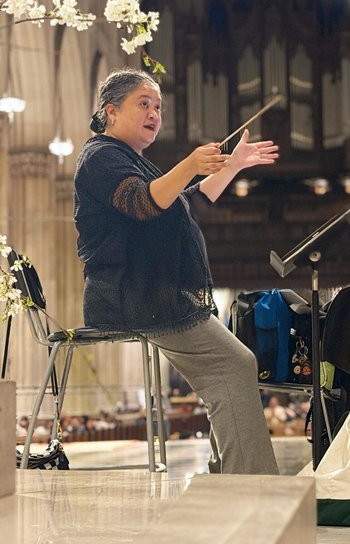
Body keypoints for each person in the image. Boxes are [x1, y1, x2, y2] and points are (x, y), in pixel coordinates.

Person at [74, 67, 280, 474]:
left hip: (152, 292)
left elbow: (187, 203)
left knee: (228, 371)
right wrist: (189, 163)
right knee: (234, 365)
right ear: (111, 112)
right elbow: (142, 203)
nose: (154, 113)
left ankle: (233, 474)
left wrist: (232, 166)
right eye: (143, 104)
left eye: (158, 107)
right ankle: (252, 482)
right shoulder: (100, 156)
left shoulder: (130, 159)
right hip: (135, 294)